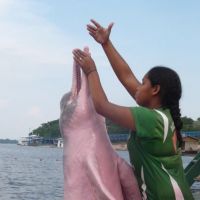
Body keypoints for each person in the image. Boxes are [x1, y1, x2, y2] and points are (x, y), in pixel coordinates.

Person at [72, 20, 194, 200]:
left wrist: (91, 71)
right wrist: (106, 43)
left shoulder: (152, 119)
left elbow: (102, 106)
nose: (138, 87)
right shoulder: (163, 116)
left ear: (155, 90)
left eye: (143, 83)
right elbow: (127, 77)